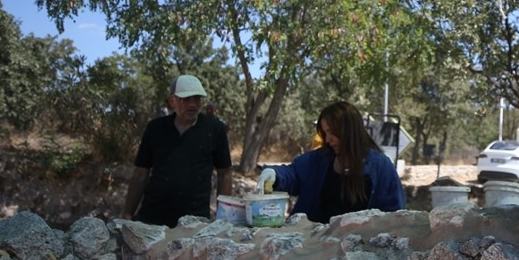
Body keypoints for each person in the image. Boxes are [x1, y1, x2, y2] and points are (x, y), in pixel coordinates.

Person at [257, 101, 405, 223]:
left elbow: (395, 214)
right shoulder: (320, 160)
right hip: (317, 245)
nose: (327, 139)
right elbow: (293, 174)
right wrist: (274, 174)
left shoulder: (381, 167)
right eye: (325, 132)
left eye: (332, 132)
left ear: (349, 131)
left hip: (360, 248)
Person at [123, 74, 233, 226]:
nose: (193, 104)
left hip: (195, 222)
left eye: (197, 99)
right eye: (186, 99)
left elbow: (225, 174)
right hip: (152, 218)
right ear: (172, 101)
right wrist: (127, 214)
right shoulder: (155, 129)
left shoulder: (214, 129)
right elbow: (141, 173)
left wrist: (223, 218)